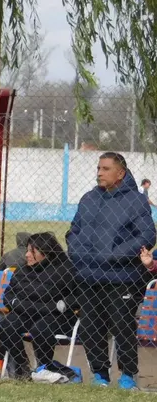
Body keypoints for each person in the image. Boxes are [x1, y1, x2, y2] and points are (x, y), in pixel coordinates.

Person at [66, 152, 156, 389]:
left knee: (122, 325)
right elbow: (74, 231)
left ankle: (128, 375)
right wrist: (78, 253)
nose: (99, 173)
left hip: (122, 277)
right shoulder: (88, 198)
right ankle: (100, 375)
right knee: (90, 326)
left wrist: (114, 255)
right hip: (88, 275)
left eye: (105, 169)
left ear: (120, 173)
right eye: (98, 168)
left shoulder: (136, 201)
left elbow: (147, 235)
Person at [0, 233, 78, 380]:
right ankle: (22, 367)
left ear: (46, 253)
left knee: (40, 329)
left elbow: (76, 296)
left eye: (32, 251)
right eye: (27, 250)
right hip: (26, 312)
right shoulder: (22, 270)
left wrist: (60, 305)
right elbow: (8, 295)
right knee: (6, 326)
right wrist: (17, 303)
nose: (27, 255)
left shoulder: (65, 270)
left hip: (54, 315)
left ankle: (45, 367)